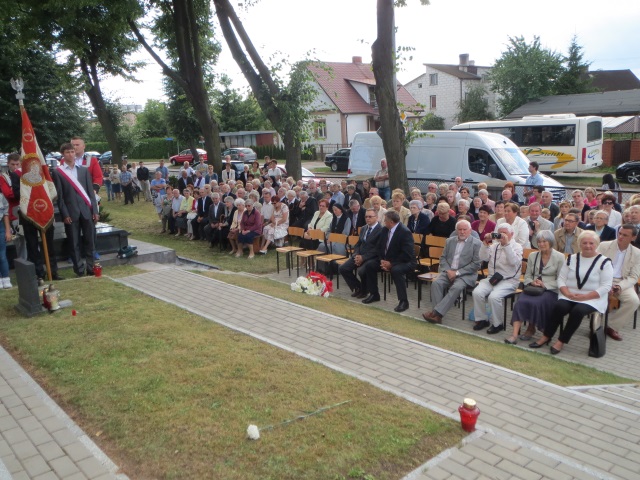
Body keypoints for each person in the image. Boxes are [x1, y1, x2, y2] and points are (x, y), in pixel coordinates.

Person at [530, 231, 613, 355]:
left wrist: (585, 296)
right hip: (569, 295)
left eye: (591, 243)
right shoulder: (572, 258)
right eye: (584, 243)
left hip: (592, 298)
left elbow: (606, 286)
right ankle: (546, 336)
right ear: (579, 244)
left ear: (597, 244)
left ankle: (561, 341)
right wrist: (567, 293)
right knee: (559, 307)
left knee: (577, 311)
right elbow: (561, 278)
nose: (588, 246)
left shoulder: (605, 262)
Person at [504, 231, 565, 344]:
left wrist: (545, 285)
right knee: (520, 302)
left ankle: (532, 328)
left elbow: (562, 280)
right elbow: (527, 275)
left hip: (551, 290)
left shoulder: (559, 257)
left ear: (550, 241)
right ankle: (514, 335)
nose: (541, 244)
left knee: (537, 303)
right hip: (533, 288)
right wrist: (532, 282)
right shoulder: (533, 255)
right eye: (539, 242)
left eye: (544, 241)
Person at [422, 220, 482, 325]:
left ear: (470, 230)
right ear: (456, 230)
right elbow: (443, 258)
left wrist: (457, 273)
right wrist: (448, 271)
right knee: (436, 283)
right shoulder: (450, 241)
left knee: (457, 287)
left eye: (465, 229)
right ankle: (437, 316)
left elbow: (476, 265)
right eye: (460, 229)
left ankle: (436, 313)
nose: (462, 232)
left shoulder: (477, 243)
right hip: (448, 271)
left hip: (466, 275)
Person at [53, 143, 99, 277]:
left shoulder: (83, 170)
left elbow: (90, 193)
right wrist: (64, 213)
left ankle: (91, 268)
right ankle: (79, 269)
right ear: (63, 154)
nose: (70, 154)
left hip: (86, 210)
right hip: (71, 213)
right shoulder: (58, 172)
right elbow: (60, 196)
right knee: (74, 243)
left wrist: (95, 211)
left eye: (72, 151)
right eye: (67, 152)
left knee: (90, 241)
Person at [472, 223, 523, 334]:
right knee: (477, 292)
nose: (502, 235)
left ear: (512, 234)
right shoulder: (495, 245)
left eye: (505, 233)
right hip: (493, 278)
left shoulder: (517, 247)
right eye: (500, 233)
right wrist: (485, 243)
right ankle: (482, 319)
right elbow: (483, 257)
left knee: (493, 297)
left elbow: (513, 262)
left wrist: (506, 245)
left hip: (509, 280)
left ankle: (497, 324)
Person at [360, 211, 415, 312]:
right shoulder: (385, 230)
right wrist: (382, 261)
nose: (383, 222)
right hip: (386, 260)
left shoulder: (404, 232)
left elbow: (406, 254)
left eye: (385, 220)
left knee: (396, 271)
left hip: (404, 262)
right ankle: (374, 294)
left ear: (391, 222)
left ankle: (403, 301)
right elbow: (379, 247)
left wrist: (391, 264)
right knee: (370, 265)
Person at [596, 225, 640, 341]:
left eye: (625, 235)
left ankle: (612, 327)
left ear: (633, 238)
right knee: (600, 297)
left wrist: (620, 286)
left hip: (622, 282)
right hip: (602, 279)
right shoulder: (604, 246)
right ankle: (596, 328)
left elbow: (633, 277)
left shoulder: (637, 253)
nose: (620, 237)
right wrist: (607, 284)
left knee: (634, 301)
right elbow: (595, 267)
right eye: (619, 233)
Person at [339, 208, 383, 299]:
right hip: (359, 255)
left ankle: (366, 291)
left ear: (377, 217)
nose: (367, 218)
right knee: (343, 268)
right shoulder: (363, 228)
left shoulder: (381, 230)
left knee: (362, 271)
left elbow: (378, 249)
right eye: (366, 216)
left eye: (370, 217)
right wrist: (356, 255)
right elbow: (359, 243)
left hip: (372, 257)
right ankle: (359, 288)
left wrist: (363, 257)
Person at [0, 190, 12, 288]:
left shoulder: (1, 196)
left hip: (0, 228)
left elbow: (5, 214)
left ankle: (5, 278)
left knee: (2, 255)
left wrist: (7, 231)